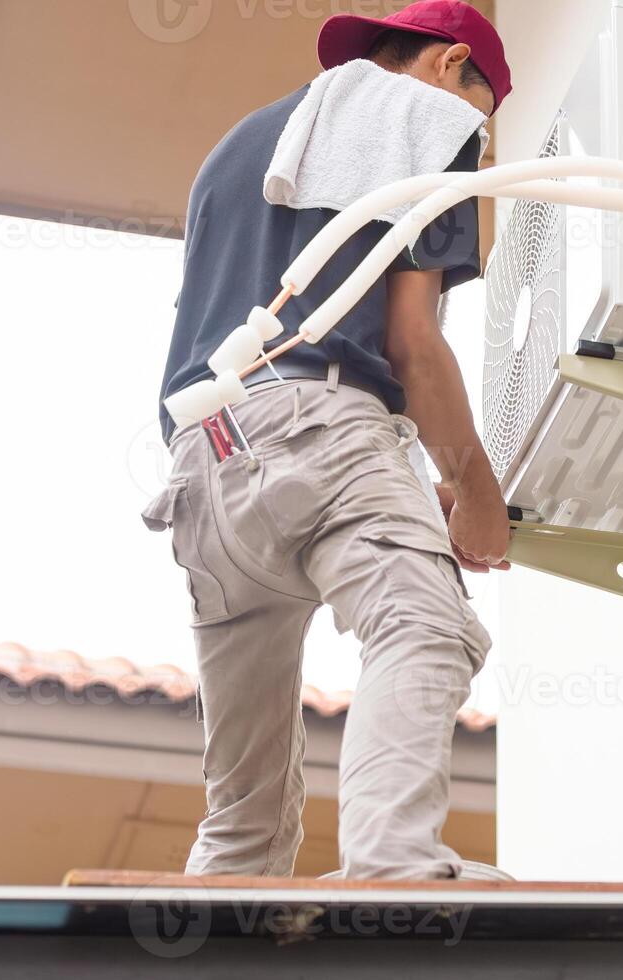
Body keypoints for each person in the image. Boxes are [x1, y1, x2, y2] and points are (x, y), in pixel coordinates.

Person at [143, 0, 513, 880]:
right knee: (425, 627)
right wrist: (474, 489)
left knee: (242, 812)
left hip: (205, 468)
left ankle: (210, 934)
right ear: (447, 64)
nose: (477, 144)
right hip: (321, 424)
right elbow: (412, 343)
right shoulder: (426, 119)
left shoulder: (239, 147)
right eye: (482, 118)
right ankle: (392, 866)